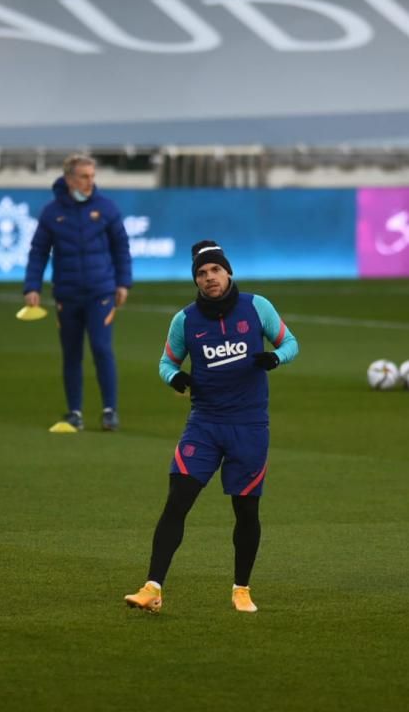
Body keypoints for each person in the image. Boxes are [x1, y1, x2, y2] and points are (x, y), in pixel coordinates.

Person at [124, 240, 298, 614]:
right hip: (204, 425)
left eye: (215, 270)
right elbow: (166, 362)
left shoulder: (257, 307)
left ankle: (241, 589)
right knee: (176, 503)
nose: (209, 278)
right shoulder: (185, 320)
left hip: (249, 426)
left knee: (246, 511)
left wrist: (275, 357)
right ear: (196, 281)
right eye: (201, 274)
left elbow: (291, 343)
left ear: (228, 271)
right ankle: (152, 588)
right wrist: (175, 379)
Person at [22, 154, 133, 432]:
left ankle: (110, 411)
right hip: (67, 294)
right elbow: (38, 252)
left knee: (101, 348)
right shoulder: (52, 212)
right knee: (71, 354)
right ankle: (75, 412)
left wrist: (123, 283)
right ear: (69, 179)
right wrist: (32, 287)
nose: (89, 182)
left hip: (101, 292)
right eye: (84, 176)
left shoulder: (106, 208)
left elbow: (121, 247)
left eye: (92, 176)